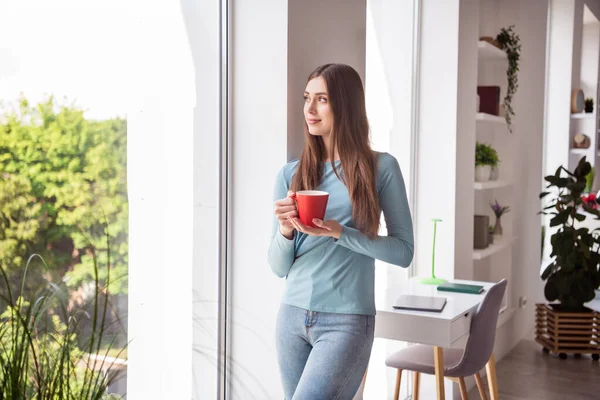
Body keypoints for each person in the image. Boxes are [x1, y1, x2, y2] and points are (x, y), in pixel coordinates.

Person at [267, 63, 414, 400]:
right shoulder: (290, 173)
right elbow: (278, 267)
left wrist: (339, 232)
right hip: (291, 318)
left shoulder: (382, 168)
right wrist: (285, 230)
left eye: (322, 99)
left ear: (345, 106)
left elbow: (403, 252)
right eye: (307, 98)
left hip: (346, 321)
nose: (309, 108)